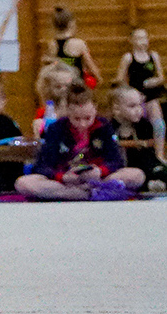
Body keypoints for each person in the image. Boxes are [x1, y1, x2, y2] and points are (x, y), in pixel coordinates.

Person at [16, 85, 144, 200]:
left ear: (95, 109)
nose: (82, 124)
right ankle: (83, 194)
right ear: (68, 111)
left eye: (87, 118)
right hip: (66, 182)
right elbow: (41, 165)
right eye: (76, 119)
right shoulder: (56, 129)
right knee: (23, 183)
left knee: (137, 175)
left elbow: (116, 160)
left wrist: (100, 171)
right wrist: (62, 177)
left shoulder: (104, 126)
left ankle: (96, 189)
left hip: (99, 179)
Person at [116, 28, 164, 162]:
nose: (142, 41)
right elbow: (120, 79)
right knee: (127, 124)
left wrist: (154, 81)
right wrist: (130, 92)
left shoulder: (153, 56)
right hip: (134, 96)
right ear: (131, 40)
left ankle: (159, 154)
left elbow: (161, 77)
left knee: (159, 123)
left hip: (150, 96)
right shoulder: (128, 57)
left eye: (144, 38)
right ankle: (125, 155)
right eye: (138, 38)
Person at [109, 85, 164, 190]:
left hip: (146, 165)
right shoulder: (110, 127)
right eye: (132, 106)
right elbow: (112, 142)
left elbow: (150, 149)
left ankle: (148, 184)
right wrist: (137, 143)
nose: (138, 110)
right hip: (122, 168)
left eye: (140, 105)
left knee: (160, 172)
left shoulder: (144, 125)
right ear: (116, 108)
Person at [48, 6, 102, 86]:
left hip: (59, 86)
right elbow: (91, 68)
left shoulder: (52, 44)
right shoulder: (79, 44)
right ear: (71, 24)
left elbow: (52, 66)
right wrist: (99, 78)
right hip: (76, 88)